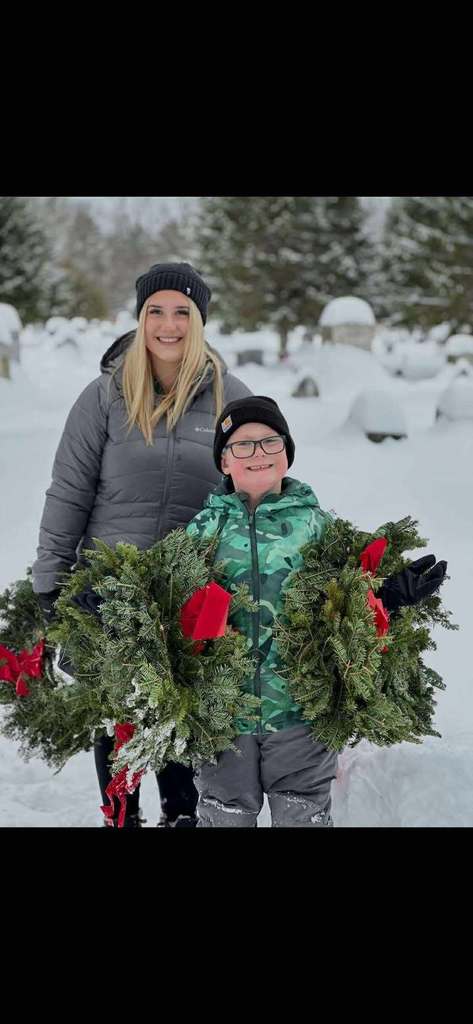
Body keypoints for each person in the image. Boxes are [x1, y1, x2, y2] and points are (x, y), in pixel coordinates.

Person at [32, 263, 252, 828]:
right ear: (140, 317)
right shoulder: (104, 396)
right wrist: (51, 582)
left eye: (183, 311)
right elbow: (69, 491)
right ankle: (121, 819)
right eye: (156, 310)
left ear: (200, 320)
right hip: (109, 593)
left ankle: (181, 817)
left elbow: (257, 492)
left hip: (194, 595)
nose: (168, 324)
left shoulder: (232, 398)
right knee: (120, 718)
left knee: (183, 718)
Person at [186, 396, 448, 827]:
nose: (258, 454)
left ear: (287, 453)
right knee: (223, 813)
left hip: (299, 714)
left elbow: (351, 596)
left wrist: (391, 594)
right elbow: (168, 602)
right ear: (224, 462)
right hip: (222, 717)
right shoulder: (200, 531)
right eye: (242, 445)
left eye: (270, 442)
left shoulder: (318, 527)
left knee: (302, 812)